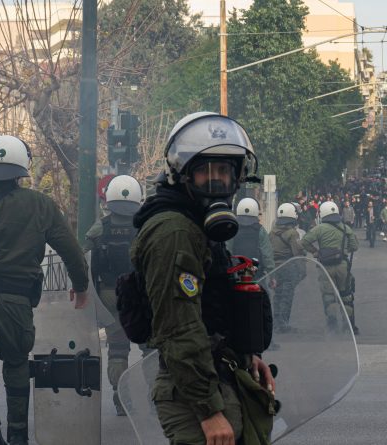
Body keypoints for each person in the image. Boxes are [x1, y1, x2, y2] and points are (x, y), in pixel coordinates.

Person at [130, 112, 276, 445]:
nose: (215, 182)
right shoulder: (174, 232)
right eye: (204, 172)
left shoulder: (197, 227)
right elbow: (178, 328)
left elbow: (213, 308)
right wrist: (209, 411)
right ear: (182, 175)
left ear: (237, 177)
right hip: (195, 396)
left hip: (216, 379)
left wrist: (246, 357)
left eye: (223, 172)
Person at [0, 135, 89, 445]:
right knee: (17, 362)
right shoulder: (40, 205)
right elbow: (71, 251)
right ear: (23, 167)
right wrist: (80, 286)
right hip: (16, 300)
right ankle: (18, 433)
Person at [83, 174, 150, 416]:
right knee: (150, 349)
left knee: (118, 350)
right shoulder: (146, 226)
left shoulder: (99, 227)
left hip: (111, 294)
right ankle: (156, 398)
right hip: (141, 294)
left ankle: (121, 400)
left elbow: (85, 260)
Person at [301, 201, 359, 335]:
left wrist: (315, 252)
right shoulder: (345, 228)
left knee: (328, 296)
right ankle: (349, 326)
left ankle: (332, 326)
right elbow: (354, 246)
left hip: (325, 267)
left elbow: (304, 242)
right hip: (342, 265)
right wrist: (344, 250)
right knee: (346, 295)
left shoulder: (319, 229)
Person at [269, 203, 306, 333]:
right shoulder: (292, 233)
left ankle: (276, 322)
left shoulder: (272, 233)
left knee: (277, 295)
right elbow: (297, 253)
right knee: (287, 295)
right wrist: (302, 271)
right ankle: (283, 324)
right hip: (288, 266)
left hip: (275, 267)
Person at [230, 197, 275, 281]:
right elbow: (267, 255)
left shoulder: (232, 228)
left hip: (235, 273)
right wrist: (272, 275)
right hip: (256, 274)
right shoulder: (260, 230)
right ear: (256, 212)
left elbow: (227, 250)